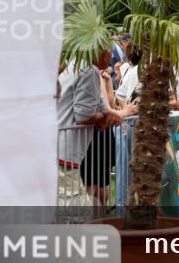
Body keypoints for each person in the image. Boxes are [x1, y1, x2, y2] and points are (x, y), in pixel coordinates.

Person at [57, 47, 137, 207]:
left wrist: (110, 116)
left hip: (64, 149)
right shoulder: (89, 69)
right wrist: (105, 119)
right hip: (66, 152)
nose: (113, 56)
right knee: (74, 210)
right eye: (110, 52)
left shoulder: (78, 65)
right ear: (101, 52)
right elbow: (84, 115)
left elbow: (102, 108)